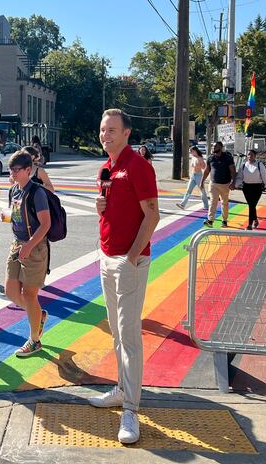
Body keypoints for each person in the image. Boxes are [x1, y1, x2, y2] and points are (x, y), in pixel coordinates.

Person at [89, 109, 159, 445]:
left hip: (129, 261)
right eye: (103, 130)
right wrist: (99, 207)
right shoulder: (106, 167)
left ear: (127, 133)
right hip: (106, 257)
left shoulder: (138, 166)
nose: (105, 135)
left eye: (112, 130)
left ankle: (131, 408)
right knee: (116, 332)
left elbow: (152, 215)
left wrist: (131, 257)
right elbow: (111, 207)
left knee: (129, 336)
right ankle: (120, 389)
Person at [3, 149, 50, 357]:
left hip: (34, 247)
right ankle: (38, 315)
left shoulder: (37, 193)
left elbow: (46, 224)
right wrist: (7, 216)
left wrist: (29, 245)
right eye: (10, 170)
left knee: (30, 295)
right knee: (11, 291)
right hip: (17, 244)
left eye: (16, 170)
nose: (12, 173)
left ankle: (35, 340)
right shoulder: (13, 190)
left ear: (28, 170)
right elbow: (14, 215)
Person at [235, 149, 266, 230]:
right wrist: (235, 185)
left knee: (252, 205)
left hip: (257, 188)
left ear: (255, 156)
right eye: (248, 154)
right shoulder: (243, 165)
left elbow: (265, 177)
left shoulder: (259, 165)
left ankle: (250, 224)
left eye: (252, 154)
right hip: (246, 188)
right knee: (251, 205)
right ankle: (255, 220)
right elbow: (240, 177)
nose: (250, 156)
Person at [200, 141, 236, 227]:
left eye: (215, 146)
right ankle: (210, 220)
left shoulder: (227, 157)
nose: (213, 148)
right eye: (213, 146)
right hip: (213, 184)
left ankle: (224, 221)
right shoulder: (210, 158)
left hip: (225, 184)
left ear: (220, 147)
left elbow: (233, 171)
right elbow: (207, 170)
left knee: (224, 203)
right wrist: (202, 181)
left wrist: (233, 182)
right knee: (213, 202)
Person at [176, 146, 209, 210]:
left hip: (199, 176)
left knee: (202, 191)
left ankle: (206, 206)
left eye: (191, 151)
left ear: (195, 151)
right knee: (188, 190)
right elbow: (192, 167)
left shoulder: (200, 158)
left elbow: (204, 167)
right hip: (193, 175)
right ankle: (183, 204)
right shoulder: (193, 157)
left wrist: (199, 165)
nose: (190, 153)